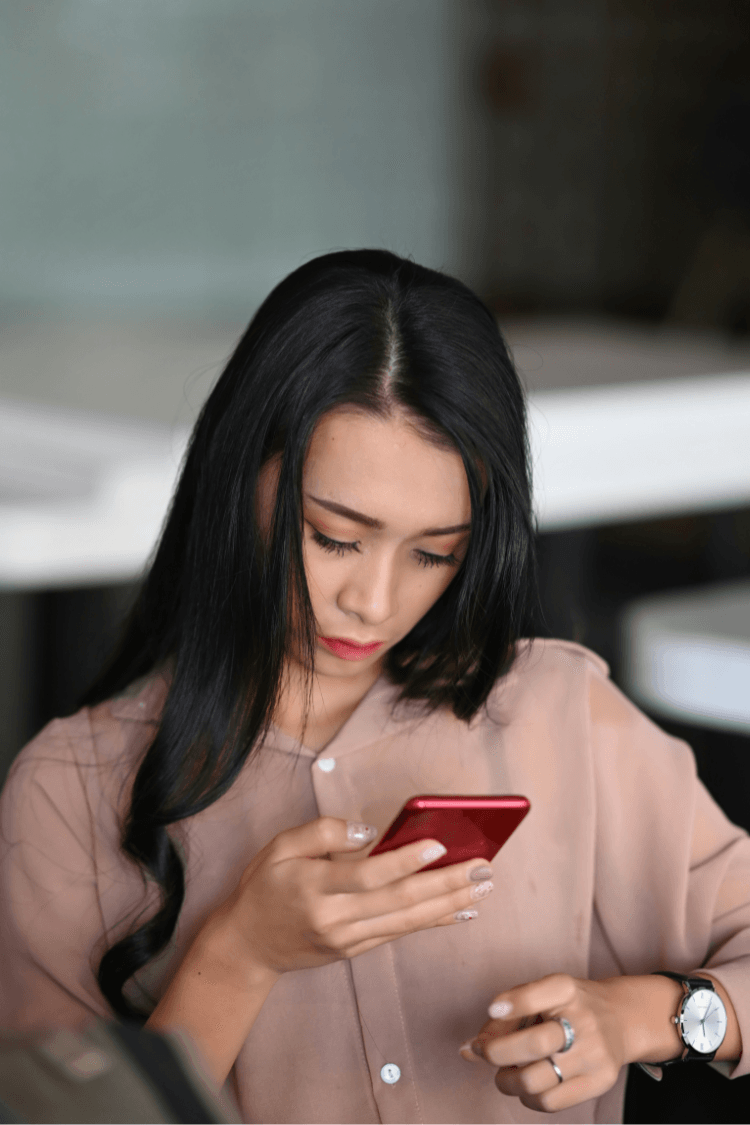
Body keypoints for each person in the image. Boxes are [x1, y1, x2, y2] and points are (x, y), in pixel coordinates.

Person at [0, 249, 748, 1125]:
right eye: (334, 536)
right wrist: (240, 954)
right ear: (243, 477)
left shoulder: (560, 716)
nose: (376, 600)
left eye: (434, 552)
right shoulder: (70, 789)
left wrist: (649, 1016)